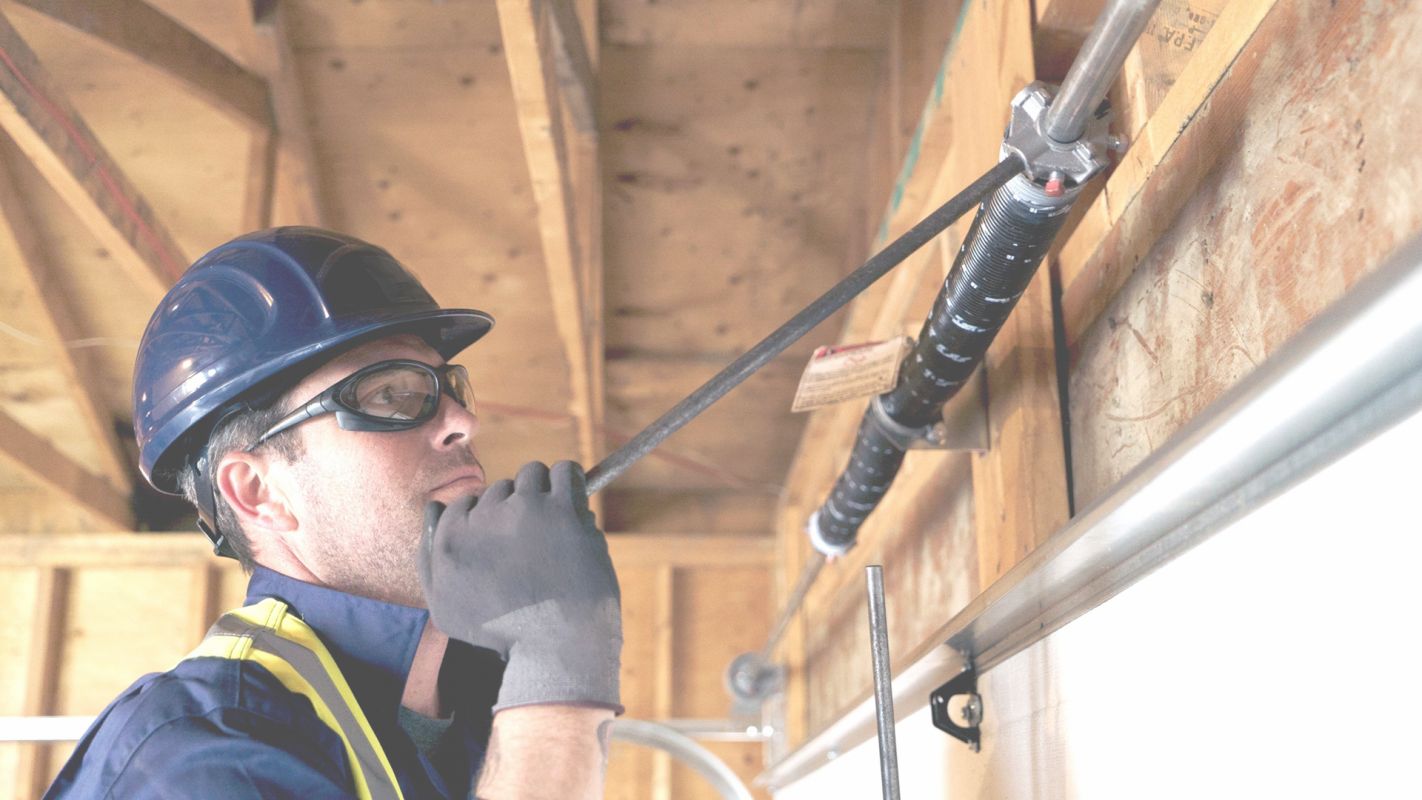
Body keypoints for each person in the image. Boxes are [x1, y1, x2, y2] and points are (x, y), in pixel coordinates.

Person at [44, 227, 623, 800]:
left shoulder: (482, 707)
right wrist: (558, 674)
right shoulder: (202, 755)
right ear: (257, 491)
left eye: (449, 388)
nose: (461, 422)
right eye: (388, 395)